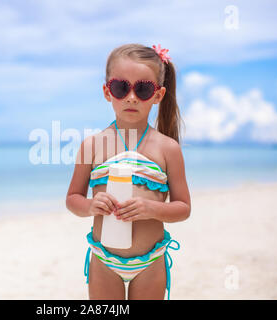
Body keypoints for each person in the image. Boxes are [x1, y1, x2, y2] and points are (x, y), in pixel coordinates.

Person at [66, 43, 191, 300]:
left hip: (150, 262)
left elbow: (183, 207)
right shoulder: (92, 145)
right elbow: (72, 199)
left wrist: (151, 209)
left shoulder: (168, 149)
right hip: (103, 260)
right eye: (121, 88)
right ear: (107, 91)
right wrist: (90, 206)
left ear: (158, 95)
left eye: (143, 89)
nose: (131, 97)